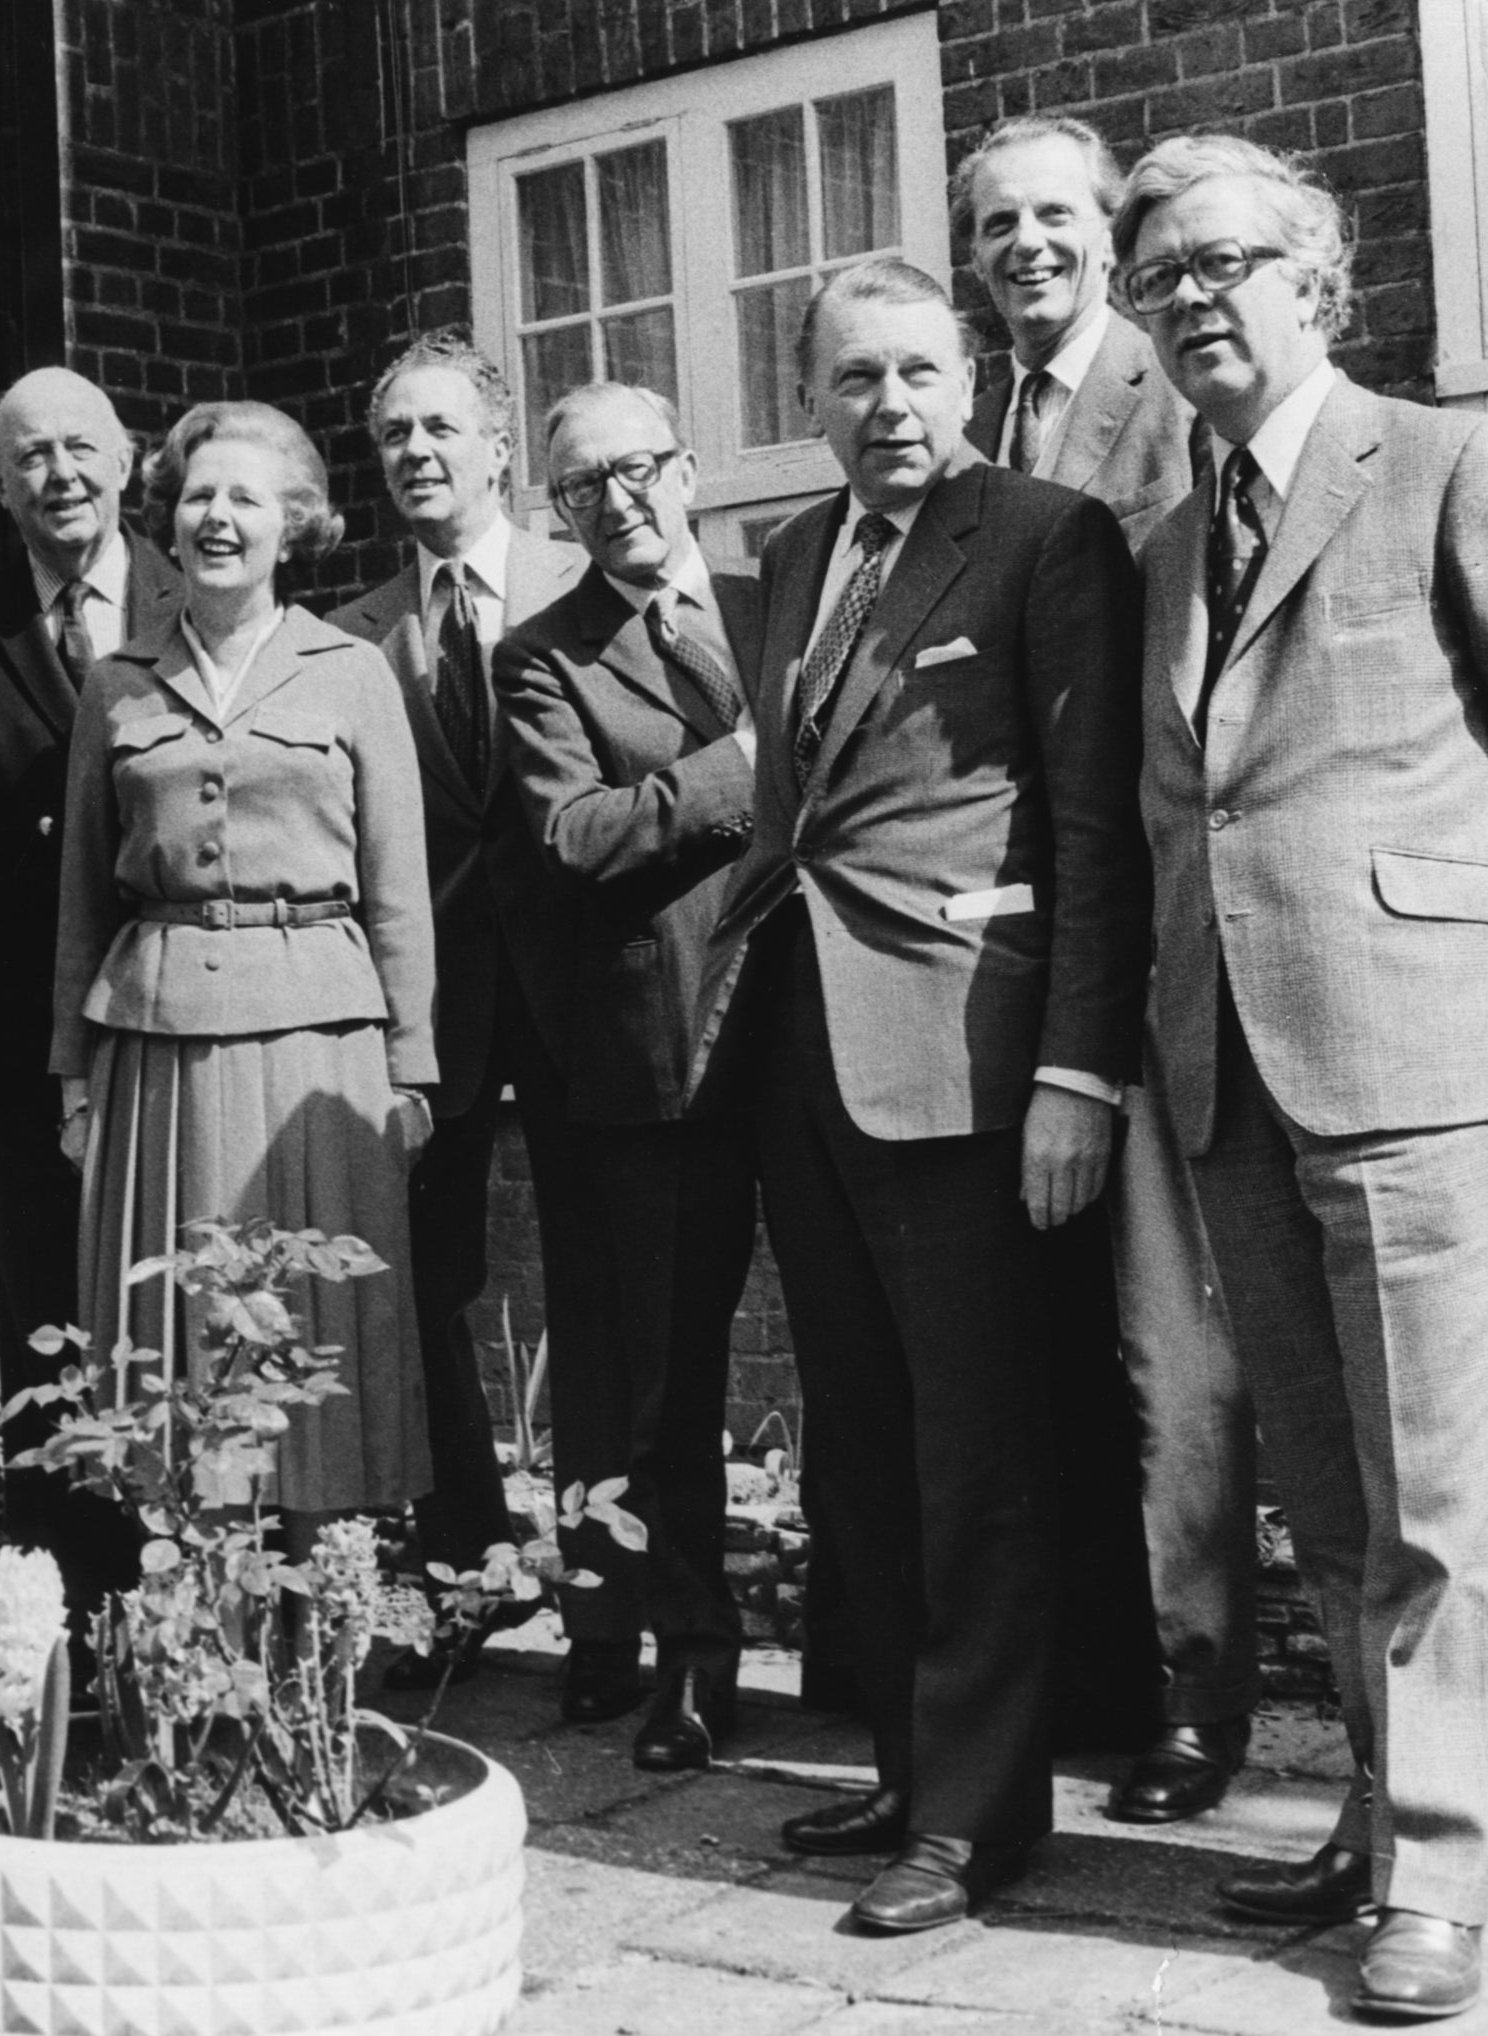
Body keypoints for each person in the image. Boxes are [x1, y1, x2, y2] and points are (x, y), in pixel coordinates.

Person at [691, 259, 1148, 1933]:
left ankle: (977, 1816)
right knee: (862, 1442)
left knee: (978, 1452)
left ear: (968, 380)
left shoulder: (1045, 535)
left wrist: (1077, 1067)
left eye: (915, 374)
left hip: (968, 1055)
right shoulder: (799, 552)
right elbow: (796, 808)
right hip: (809, 1050)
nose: (886, 407)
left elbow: (1092, 824)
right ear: (808, 399)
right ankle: (905, 1759)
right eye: (851, 380)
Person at [1118, 133, 1488, 2021]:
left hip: (1414, 1039)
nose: (1191, 299)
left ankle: (1446, 1866)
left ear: (1315, 278)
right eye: (1157, 278)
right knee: (1331, 1502)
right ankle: (1373, 1803)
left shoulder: (1435, 460)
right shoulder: (1166, 541)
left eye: (1222, 262)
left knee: (1440, 1489)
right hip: (1230, 1071)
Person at [957, 112, 1257, 1816]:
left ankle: (1200, 1704)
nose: (1026, 246)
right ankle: (1097, 1674)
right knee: (1075, 1346)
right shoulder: (989, 410)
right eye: (995, 223)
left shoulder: (1169, 399)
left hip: (1170, 932)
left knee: (1186, 1353)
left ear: (1110, 233)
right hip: (1032, 939)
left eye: (1055, 216)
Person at [50, 400, 436, 1534]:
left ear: (294, 523)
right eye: (200, 497)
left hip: (320, 1046)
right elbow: (80, 890)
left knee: (316, 1314)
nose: (218, 518)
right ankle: (194, 1622)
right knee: (173, 1323)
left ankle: (322, 1628)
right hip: (155, 1046)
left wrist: (410, 1069)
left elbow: (397, 882)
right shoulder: (114, 682)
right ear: (167, 521)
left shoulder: (352, 669)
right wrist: (70, 1070)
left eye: (246, 498)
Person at [492, 382, 760, 1769]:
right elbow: (579, 834)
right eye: (582, 485)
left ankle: (876, 1653)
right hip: (667, 1059)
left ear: (692, 467)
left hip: (828, 1040)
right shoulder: (544, 657)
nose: (619, 500)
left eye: (639, 468)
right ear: (559, 511)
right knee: (665, 1379)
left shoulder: (785, 606)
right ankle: (690, 1661)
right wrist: (747, 769)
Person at [328, 332, 587, 1696]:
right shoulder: (356, 634)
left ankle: (612, 1603)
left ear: (500, 446)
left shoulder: (579, 582)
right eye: (394, 438)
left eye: (442, 430)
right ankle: (462, 1560)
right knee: (423, 1286)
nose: (419, 455)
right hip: (428, 1004)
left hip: (581, 989)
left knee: (600, 1279)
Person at [0, 368, 180, 1583]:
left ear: (126, 462)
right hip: (30, 1014)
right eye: (30, 457)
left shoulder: (207, 598)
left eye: (81, 450)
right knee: (41, 1292)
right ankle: (54, 1570)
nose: (59, 475)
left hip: (187, 1000)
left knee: (184, 1273)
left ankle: (184, 1549)